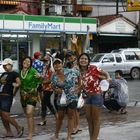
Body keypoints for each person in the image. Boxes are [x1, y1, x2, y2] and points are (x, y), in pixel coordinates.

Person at [78, 53, 110, 140]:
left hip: (96, 96)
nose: (83, 60)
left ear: (88, 61)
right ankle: (92, 137)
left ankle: (94, 138)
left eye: (85, 59)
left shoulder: (93, 68)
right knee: (89, 118)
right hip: (87, 97)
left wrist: (108, 78)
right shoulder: (79, 71)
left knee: (95, 119)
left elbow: (105, 73)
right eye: (81, 59)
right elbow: (84, 83)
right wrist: (77, 89)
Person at [51, 58, 81, 140]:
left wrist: (79, 87)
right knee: (60, 116)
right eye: (55, 64)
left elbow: (79, 74)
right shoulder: (53, 75)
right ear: (53, 65)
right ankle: (56, 134)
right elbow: (52, 86)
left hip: (72, 97)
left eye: (59, 63)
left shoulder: (70, 71)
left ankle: (69, 136)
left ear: (62, 64)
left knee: (70, 116)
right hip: (61, 98)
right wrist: (56, 90)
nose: (57, 65)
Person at [0, 58, 24, 138]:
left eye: (6, 65)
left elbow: (19, 83)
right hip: (1, 95)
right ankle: (8, 132)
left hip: (7, 95)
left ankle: (18, 127)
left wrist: (15, 87)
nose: (4, 67)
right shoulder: (3, 74)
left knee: (5, 114)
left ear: (10, 65)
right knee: (2, 115)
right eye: (3, 65)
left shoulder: (14, 74)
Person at [20, 56, 41, 140]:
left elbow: (41, 81)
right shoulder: (20, 72)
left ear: (31, 63)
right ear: (22, 62)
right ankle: (33, 128)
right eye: (25, 61)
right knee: (28, 115)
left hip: (32, 95)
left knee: (29, 113)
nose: (26, 62)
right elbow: (19, 83)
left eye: (28, 61)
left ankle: (30, 135)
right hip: (23, 96)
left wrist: (40, 77)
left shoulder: (33, 71)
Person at [38, 54, 57, 126]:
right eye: (44, 61)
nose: (44, 62)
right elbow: (43, 76)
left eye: (46, 61)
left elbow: (51, 80)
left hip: (50, 88)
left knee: (44, 103)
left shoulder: (51, 69)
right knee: (48, 103)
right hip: (44, 88)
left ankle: (43, 120)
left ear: (50, 61)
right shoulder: (45, 68)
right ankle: (56, 116)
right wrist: (40, 76)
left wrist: (43, 81)